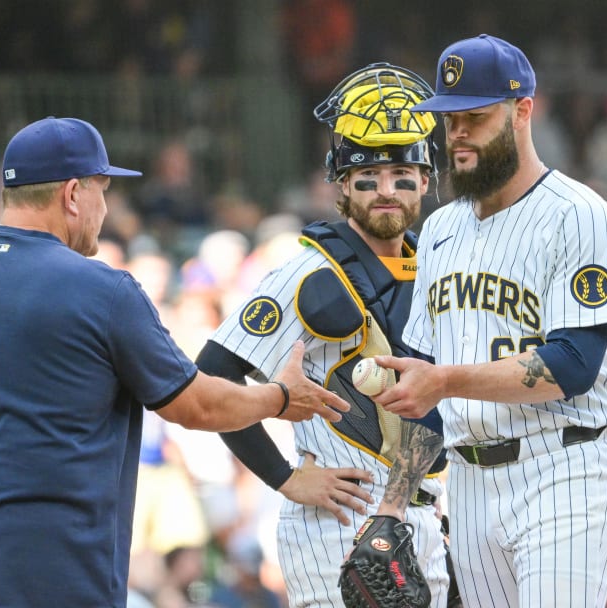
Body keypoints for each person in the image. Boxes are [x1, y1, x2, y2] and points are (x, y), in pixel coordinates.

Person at [0, 116, 349, 607]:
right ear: (73, 194)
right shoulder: (102, 290)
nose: (107, 206)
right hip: (59, 566)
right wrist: (281, 396)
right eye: (103, 189)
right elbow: (196, 407)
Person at [370, 34, 607, 607]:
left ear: (522, 111)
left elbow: (573, 364)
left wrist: (445, 381)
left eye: (475, 117)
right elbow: (425, 384)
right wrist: (393, 504)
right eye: (448, 119)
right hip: (468, 482)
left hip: (563, 467)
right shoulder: (440, 230)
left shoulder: (579, 216)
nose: (457, 133)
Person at [195, 63, 454, 607]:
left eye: (401, 176)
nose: (386, 191)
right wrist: (285, 478)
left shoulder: (435, 269)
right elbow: (214, 369)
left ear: (425, 182)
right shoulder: (310, 272)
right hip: (341, 518)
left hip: (419, 510)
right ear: (341, 183)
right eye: (368, 177)